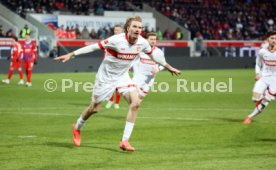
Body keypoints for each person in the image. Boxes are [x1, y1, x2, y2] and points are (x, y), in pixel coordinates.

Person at [54, 16, 181, 151]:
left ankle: (124, 141)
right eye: (135, 27)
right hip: (106, 78)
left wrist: (168, 67)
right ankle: (77, 127)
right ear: (128, 28)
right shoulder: (116, 40)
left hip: (122, 76)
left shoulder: (143, 43)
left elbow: (153, 55)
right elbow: (93, 47)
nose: (138, 29)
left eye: (140, 27)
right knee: (94, 109)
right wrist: (71, 54)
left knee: (136, 103)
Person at [243, 31, 276, 124]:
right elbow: (258, 63)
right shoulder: (262, 51)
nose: (274, 40)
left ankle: (249, 117)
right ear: (267, 39)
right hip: (264, 77)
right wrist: (258, 73)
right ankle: (263, 98)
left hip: (275, 80)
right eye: (272, 38)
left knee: (265, 101)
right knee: (255, 98)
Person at [130, 32, 165, 99]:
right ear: (147, 40)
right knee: (134, 95)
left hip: (150, 78)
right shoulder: (141, 49)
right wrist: (130, 66)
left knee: (141, 97)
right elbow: (134, 59)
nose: (153, 41)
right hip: (139, 76)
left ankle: (134, 106)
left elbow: (163, 65)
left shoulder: (159, 52)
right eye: (151, 39)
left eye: (154, 39)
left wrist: (158, 69)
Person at [105, 25, 123, 109]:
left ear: (121, 31)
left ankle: (117, 103)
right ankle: (111, 100)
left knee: (118, 86)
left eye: (118, 30)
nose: (116, 32)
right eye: (115, 30)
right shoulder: (110, 40)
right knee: (110, 85)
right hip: (110, 66)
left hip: (120, 67)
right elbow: (106, 52)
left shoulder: (124, 41)